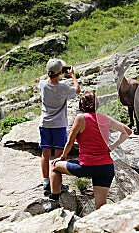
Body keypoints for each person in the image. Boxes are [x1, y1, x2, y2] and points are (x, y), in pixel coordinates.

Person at [43, 91, 132, 212]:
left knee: (54, 166)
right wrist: (111, 147)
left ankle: (54, 201)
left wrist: (63, 156)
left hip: (87, 166)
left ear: (81, 105)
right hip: (106, 168)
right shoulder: (106, 118)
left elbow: (70, 141)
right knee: (101, 207)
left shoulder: (81, 118)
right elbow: (127, 131)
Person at [39, 58, 81, 195]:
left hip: (45, 123)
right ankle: (57, 184)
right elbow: (77, 90)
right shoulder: (63, 88)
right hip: (58, 125)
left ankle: (46, 181)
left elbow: (49, 79)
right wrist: (73, 75)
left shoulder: (42, 84)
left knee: (45, 154)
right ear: (60, 73)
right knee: (58, 156)